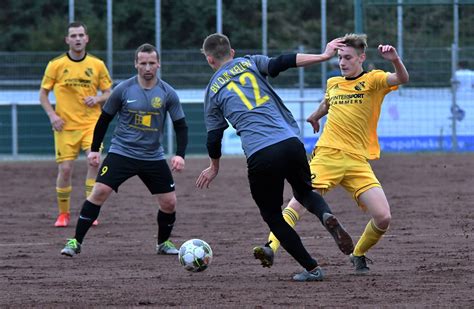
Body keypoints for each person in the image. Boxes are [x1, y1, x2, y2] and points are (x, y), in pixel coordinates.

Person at [196, 33, 354, 282]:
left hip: (261, 153)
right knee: (304, 193)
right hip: (291, 142)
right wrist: (324, 56)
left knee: (272, 216)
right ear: (232, 52)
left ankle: (312, 268)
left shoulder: (212, 91)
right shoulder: (250, 62)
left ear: (209, 59)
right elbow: (284, 61)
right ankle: (326, 216)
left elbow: (214, 136)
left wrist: (214, 166)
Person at [256, 33, 409, 275]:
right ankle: (270, 247)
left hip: (358, 161)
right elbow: (328, 102)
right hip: (328, 154)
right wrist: (316, 116)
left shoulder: (374, 80)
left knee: (383, 217)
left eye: (347, 57)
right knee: (299, 202)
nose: (342, 62)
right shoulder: (333, 83)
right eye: (339, 57)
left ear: (361, 57)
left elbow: (402, 78)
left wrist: (395, 59)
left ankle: (357, 254)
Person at [60, 43, 188, 257]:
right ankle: (75, 242)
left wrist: (180, 154)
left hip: (152, 156)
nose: (147, 67)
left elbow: (180, 125)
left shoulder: (168, 93)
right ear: (136, 64)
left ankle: (163, 244)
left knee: (169, 202)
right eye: (143, 63)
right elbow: (104, 120)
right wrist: (94, 150)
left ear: (158, 65)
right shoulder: (123, 89)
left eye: (152, 63)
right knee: (99, 192)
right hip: (122, 152)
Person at [39, 21, 112, 227]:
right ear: (67, 40)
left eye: (81, 35)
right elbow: (43, 94)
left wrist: (97, 99)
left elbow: (109, 92)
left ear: (87, 38)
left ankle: (90, 211)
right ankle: (63, 214)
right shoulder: (56, 65)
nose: (78, 39)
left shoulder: (97, 64)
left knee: (94, 161)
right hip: (65, 126)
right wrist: (53, 116)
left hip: (91, 124)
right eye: (74, 36)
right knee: (66, 169)